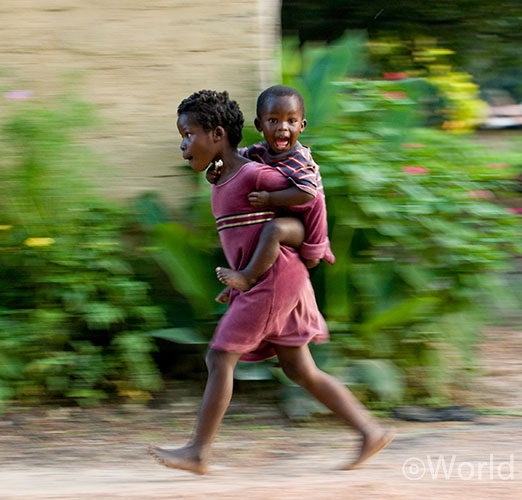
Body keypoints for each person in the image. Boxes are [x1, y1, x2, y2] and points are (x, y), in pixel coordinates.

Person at [148, 89, 394, 475]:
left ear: (216, 134)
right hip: (273, 279)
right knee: (299, 369)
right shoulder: (226, 176)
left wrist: (314, 246)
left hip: (274, 280)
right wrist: (239, 279)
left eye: (187, 134)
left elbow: (304, 210)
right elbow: (250, 235)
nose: (182, 145)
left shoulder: (257, 175)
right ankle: (369, 430)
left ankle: (198, 452)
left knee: (219, 356)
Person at [211, 85, 334, 293]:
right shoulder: (260, 151)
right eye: (273, 120)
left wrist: (269, 198)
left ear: (302, 125)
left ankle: (247, 277)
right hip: (291, 217)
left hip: (309, 231)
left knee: (273, 229)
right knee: (253, 232)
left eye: (291, 121)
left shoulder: (299, 158)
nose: (283, 128)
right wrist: (218, 168)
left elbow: (307, 194)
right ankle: (240, 282)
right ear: (259, 125)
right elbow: (235, 159)